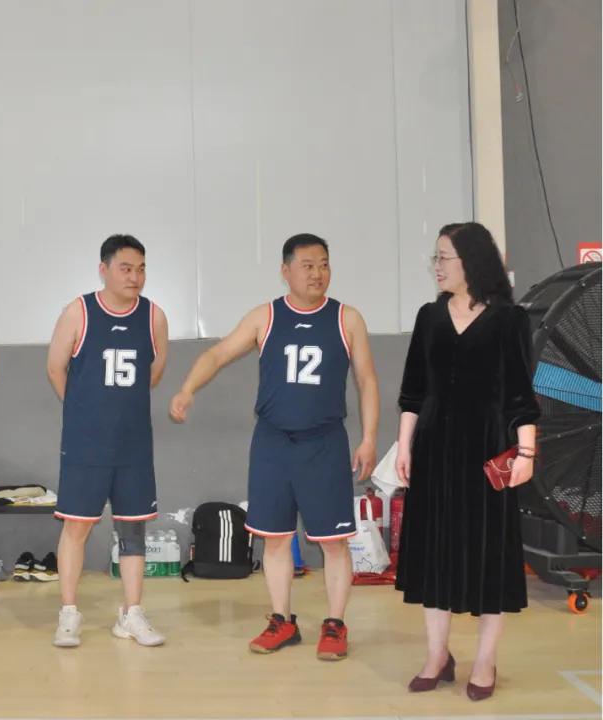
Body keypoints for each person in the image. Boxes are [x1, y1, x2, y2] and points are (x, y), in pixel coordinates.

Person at [170, 233, 378, 661]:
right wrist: (188, 388)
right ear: (286, 271)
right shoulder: (265, 317)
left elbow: (367, 380)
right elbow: (218, 354)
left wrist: (370, 438)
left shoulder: (348, 319)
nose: (317, 273)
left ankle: (335, 624)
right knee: (276, 538)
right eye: (307, 265)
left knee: (334, 542)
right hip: (272, 443)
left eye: (324, 264)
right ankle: (282, 621)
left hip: (324, 443)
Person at [395, 222, 539, 701]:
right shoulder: (429, 316)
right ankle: (437, 655)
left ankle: (485, 660)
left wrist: (526, 451)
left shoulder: (510, 319)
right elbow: (413, 391)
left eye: (444, 258)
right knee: (434, 552)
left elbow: (520, 395)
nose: (436, 266)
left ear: (471, 261)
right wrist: (404, 446)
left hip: (487, 449)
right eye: (435, 258)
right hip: (434, 448)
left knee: (487, 555)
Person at [47, 234, 169, 648]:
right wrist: (83, 412)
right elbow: (55, 368)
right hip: (86, 444)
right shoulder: (79, 312)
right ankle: (68, 613)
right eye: (126, 268)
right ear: (104, 270)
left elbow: (154, 372)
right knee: (77, 527)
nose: (135, 277)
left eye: (141, 269)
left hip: (133, 445)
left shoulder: (154, 317)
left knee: (133, 529)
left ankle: (131, 613)